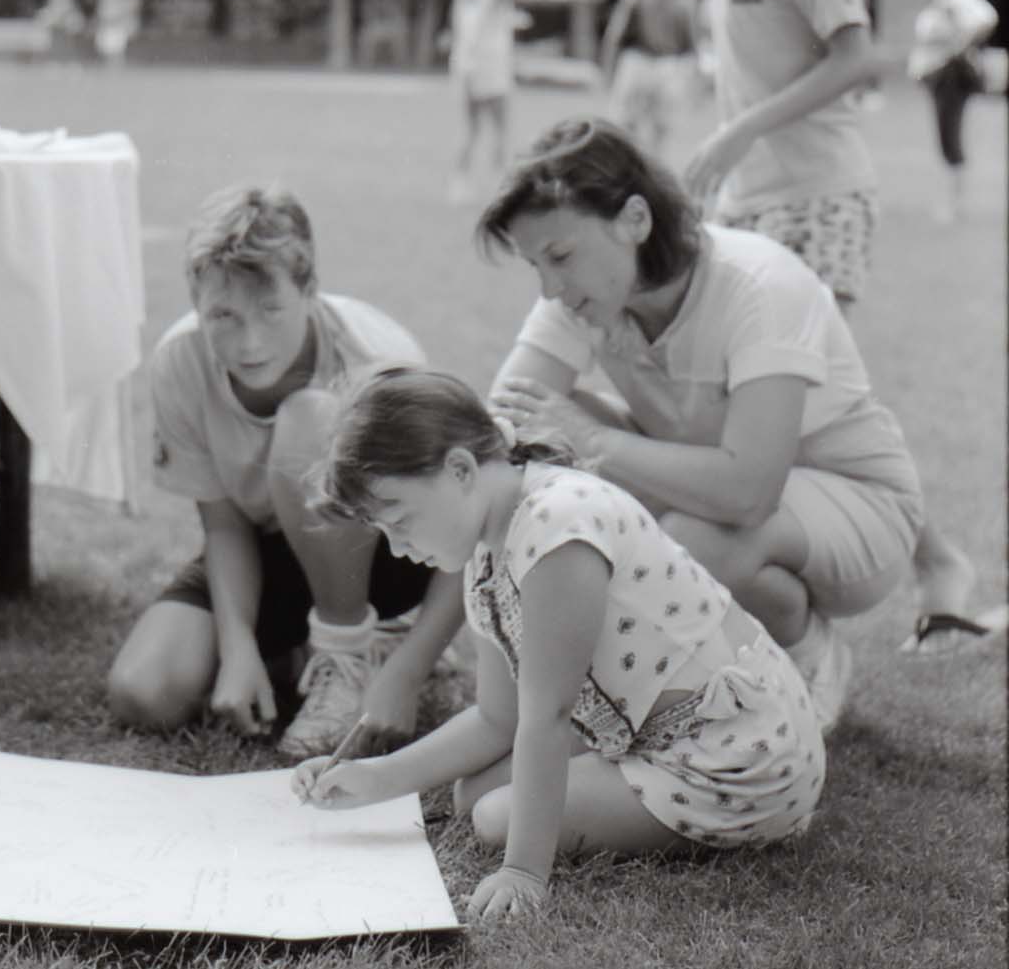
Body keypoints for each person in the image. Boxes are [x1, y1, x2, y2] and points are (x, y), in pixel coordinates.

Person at [292, 367, 826, 923]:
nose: (399, 549)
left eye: (400, 519)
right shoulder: (486, 548)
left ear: (460, 469)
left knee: (496, 818)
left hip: (735, 754)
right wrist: (378, 778)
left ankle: (715, 809)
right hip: (657, 732)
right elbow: (499, 719)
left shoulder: (557, 528)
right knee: (472, 795)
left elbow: (547, 716)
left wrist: (523, 872)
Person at [661, 0, 984, 660]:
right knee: (757, 410)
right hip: (750, 205)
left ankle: (930, 570)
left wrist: (734, 134)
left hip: (819, 195)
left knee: (802, 409)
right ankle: (820, 592)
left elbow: (857, 57)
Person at [481, 117, 924, 737]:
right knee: (545, 441)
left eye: (559, 255)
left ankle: (804, 661)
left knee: (685, 533)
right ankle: (741, 648)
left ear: (635, 219)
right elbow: (501, 428)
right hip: (714, 494)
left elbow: (749, 491)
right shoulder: (582, 295)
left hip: (857, 504)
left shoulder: (758, 283)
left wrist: (594, 441)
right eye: (535, 265)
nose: (550, 287)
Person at [107, 184, 465, 759]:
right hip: (268, 547)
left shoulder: (378, 357)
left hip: (384, 552)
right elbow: (224, 525)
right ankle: (304, 652)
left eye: (271, 310)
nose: (248, 343)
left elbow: (467, 532)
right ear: (197, 301)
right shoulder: (180, 361)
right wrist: (238, 643)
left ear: (310, 290)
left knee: (309, 419)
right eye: (222, 315)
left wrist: (410, 668)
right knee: (145, 691)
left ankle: (352, 650)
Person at [446, 0, 609, 202]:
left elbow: (472, 25)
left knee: (473, 129)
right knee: (501, 128)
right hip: (489, 67)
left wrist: (510, 22)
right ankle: (501, 187)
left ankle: (459, 184)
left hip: (466, 65)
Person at [907, 0, 999, 225]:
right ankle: (949, 198)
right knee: (945, 134)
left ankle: (953, 201)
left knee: (949, 134)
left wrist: (957, 41)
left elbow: (985, 18)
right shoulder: (943, 0)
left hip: (949, 73)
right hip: (936, 73)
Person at [600, 0, 700, 158]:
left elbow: (615, 37)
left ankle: (633, 166)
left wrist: (608, 70)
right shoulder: (684, 1)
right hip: (668, 66)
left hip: (640, 64)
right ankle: (648, 168)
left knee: (628, 126)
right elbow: (691, 45)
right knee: (658, 133)